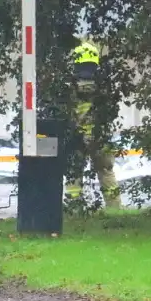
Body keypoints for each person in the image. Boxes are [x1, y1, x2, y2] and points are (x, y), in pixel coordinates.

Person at [66, 40, 121, 210]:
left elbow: (66, 114)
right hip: (101, 136)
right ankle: (115, 209)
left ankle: (74, 209)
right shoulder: (104, 88)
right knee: (106, 172)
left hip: (77, 137)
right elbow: (111, 112)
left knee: (74, 174)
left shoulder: (69, 88)